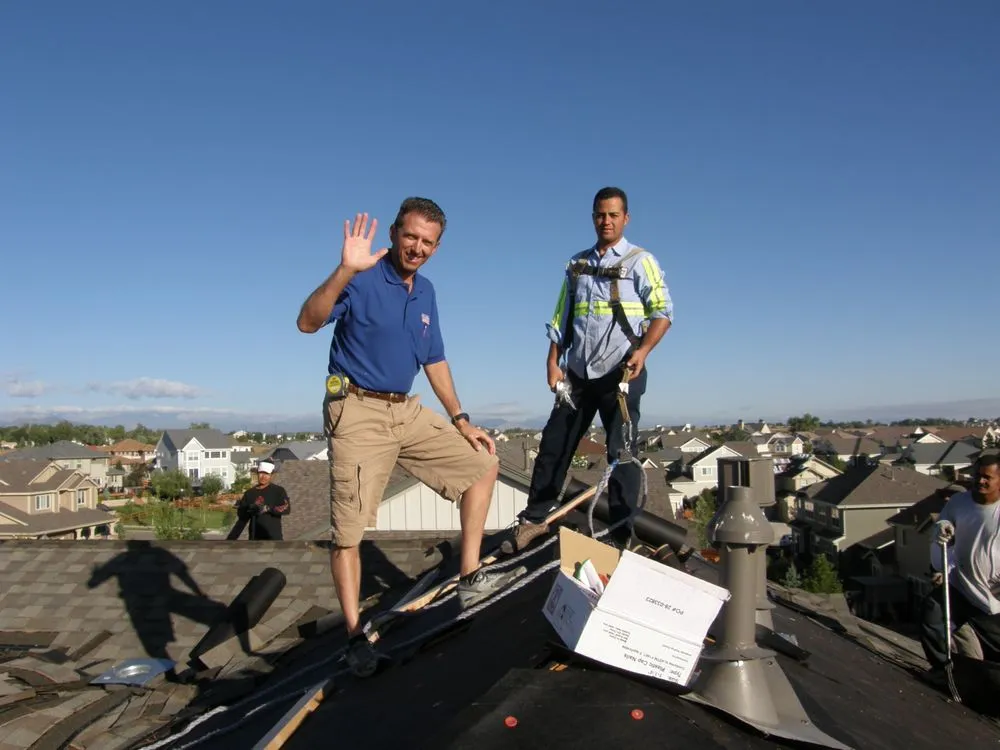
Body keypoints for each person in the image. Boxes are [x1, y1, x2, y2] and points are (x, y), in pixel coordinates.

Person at [296, 197, 526, 677]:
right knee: (349, 534)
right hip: (356, 411)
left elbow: (434, 359)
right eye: (410, 237)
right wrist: (342, 269)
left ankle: (469, 576)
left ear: (436, 247)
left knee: (482, 467)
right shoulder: (360, 276)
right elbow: (308, 322)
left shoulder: (426, 293)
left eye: (427, 242)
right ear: (395, 234)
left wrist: (461, 418)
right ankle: (356, 638)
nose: (416, 248)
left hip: (407, 409)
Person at [508, 186, 673, 553]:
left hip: (622, 372)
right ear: (593, 217)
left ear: (625, 218)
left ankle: (620, 535)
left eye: (614, 215)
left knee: (621, 452)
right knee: (554, 444)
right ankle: (534, 519)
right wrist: (553, 362)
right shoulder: (577, 265)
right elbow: (561, 318)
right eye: (600, 214)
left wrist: (644, 351)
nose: (606, 221)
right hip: (578, 373)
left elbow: (663, 312)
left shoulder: (639, 261)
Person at [921, 454, 1000, 683]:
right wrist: (943, 526)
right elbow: (943, 525)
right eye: (977, 475)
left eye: (987, 477)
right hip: (960, 584)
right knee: (932, 612)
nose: (980, 481)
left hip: (992, 593)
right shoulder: (959, 502)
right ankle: (944, 670)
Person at [234, 461, 291, 540]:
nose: (263, 476)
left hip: (274, 539)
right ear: (257, 473)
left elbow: (287, 509)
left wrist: (267, 508)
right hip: (254, 539)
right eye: (261, 473)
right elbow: (242, 518)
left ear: (272, 475)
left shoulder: (278, 491)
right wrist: (246, 508)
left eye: (266, 474)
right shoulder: (249, 493)